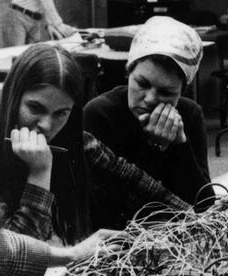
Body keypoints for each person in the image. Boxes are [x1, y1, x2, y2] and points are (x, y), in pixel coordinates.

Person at [0, 43, 200, 243]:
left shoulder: (69, 138)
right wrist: (39, 174)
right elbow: (5, 252)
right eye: (35, 107)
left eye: (61, 113)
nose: (47, 126)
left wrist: (200, 222)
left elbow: (136, 182)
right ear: (13, 96)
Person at [84, 16, 212, 224]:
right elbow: (107, 210)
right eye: (142, 84)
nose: (151, 99)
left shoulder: (190, 114)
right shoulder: (99, 114)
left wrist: (180, 146)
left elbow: (204, 205)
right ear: (129, 72)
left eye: (166, 92)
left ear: (181, 92)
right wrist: (155, 147)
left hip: (176, 235)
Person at [4, 0, 77, 47]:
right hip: (18, 15)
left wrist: (49, 24)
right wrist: (58, 24)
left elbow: (41, 3)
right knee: (17, 56)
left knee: (32, 57)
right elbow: (46, 2)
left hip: (35, 19)